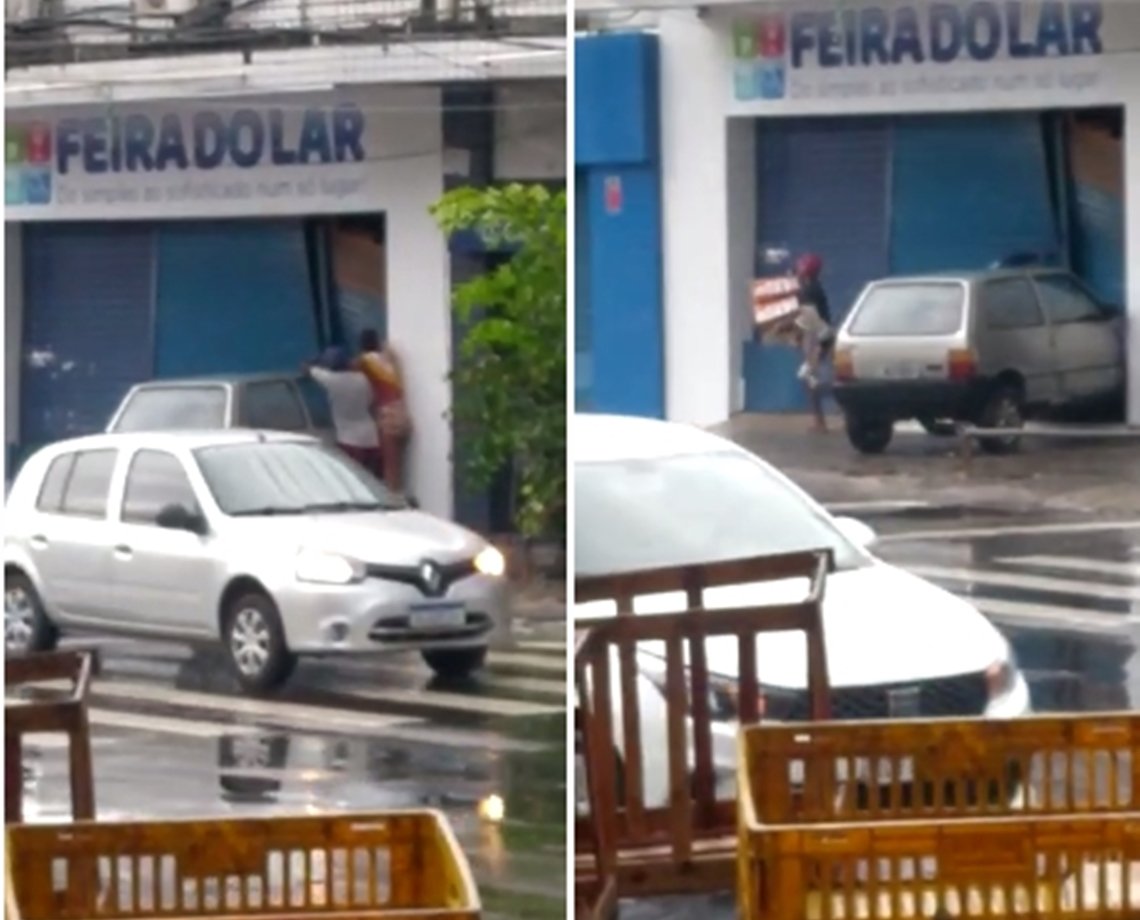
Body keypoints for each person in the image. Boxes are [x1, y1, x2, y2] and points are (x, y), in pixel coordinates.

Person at [304, 346, 381, 476]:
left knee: (354, 479)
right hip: (371, 438)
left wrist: (317, 360)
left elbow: (305, 368)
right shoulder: (362, 378)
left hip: (348, 440)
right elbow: (371, 401)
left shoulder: (330, 379)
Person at [355, 329, 411, 496]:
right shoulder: (389, 360)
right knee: (398, 463)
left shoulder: (365, 360)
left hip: (386, 415)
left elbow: (345, 368)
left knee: (390, 465)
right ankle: (398, 493)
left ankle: (393, 499)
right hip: (401, 411)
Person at [793, 254, 834, 433]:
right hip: (819, 337)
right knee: (810, 377)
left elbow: (810, 320)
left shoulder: (808, 291)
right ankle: (819, 420)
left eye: (801, 266)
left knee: (810, 377)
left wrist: (813, 346)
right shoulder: (812, 288)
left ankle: (820, 421)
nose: (798, 269)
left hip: (816, 337)